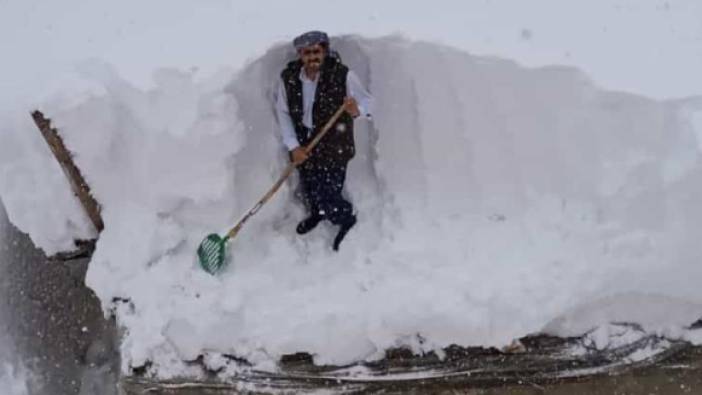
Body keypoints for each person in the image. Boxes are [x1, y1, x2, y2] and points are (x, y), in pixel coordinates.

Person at [275, 30, 374, 251]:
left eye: (317, 51)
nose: (312, 57)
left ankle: (344, 217)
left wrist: (357, 109)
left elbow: (369, 103)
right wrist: (294, 146)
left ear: (325, 51)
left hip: (334, 145)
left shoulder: (342, 75)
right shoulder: (289, 79)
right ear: (300, 54)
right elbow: (282, 112)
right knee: (310, 186)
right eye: (307, 52)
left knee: (329, 190)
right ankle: (318, 214)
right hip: (305, 144)